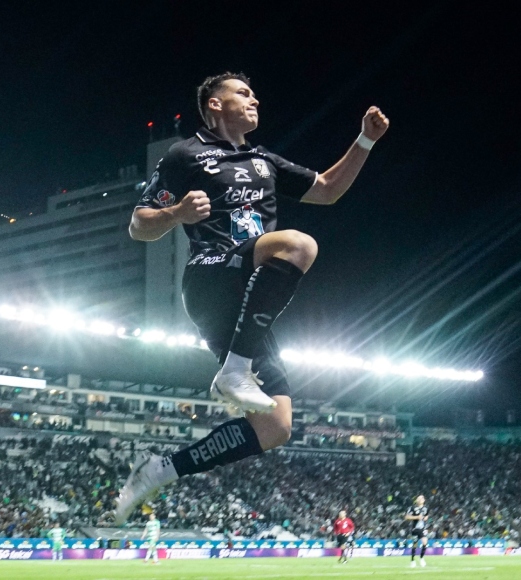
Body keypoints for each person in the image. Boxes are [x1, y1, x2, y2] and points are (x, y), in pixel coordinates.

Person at [116, 71, 389, 523]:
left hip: (245, 303)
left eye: (254, 93)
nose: (254, 99)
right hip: (211, 278)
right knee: (298, 244)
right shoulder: (186, 154)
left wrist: (364, 141)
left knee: (276, 427)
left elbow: (326, 190)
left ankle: (161, 469)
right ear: (215, 106)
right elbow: (139, 224)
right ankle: (235, 372)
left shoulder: (263, 160)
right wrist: (176, 212)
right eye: (242, 93)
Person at [404, 495, 430, 567]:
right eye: (419, 498)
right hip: (415, 529)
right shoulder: (412, 508)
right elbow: (406, 517)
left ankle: (421, 558)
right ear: (417, 500)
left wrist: (425, 518)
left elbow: (427, 515)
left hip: (423, 528)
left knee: (425, 542)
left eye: (422, 498)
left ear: (424, 500)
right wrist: (417, 517)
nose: (420, 499)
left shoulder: (426, 508)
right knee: (415, 544)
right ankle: (412, 560)